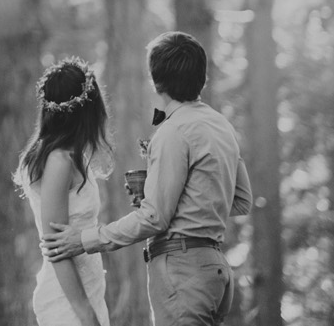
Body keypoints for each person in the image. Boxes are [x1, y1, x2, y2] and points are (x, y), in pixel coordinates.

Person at [41, 32, 254, 326]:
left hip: (183, 274)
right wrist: (181, 196)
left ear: (156, 81)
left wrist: (84, 240)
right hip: (216, 273)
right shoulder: (222, 126)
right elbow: (241, 201)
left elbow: (155, 218)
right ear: (201, 78)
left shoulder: (172, 131)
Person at [16, 56, 114, 326]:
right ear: (87, 109)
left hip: (89, 286)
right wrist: (86, 317)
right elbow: (55, 247)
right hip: (69, 300)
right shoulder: (58, 161)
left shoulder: (70, 157)